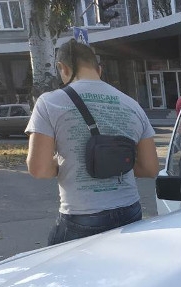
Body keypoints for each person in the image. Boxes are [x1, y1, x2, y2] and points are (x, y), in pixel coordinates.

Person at [26, 39, 159, 246]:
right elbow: (150, 168)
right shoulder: (132, 105)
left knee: (64, 273)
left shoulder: (49, 102)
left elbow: (39, 169)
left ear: (63, 68)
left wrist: (68, 163)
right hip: (130, 212)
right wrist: (114, 162)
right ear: (99, 69)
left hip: (81, 216)